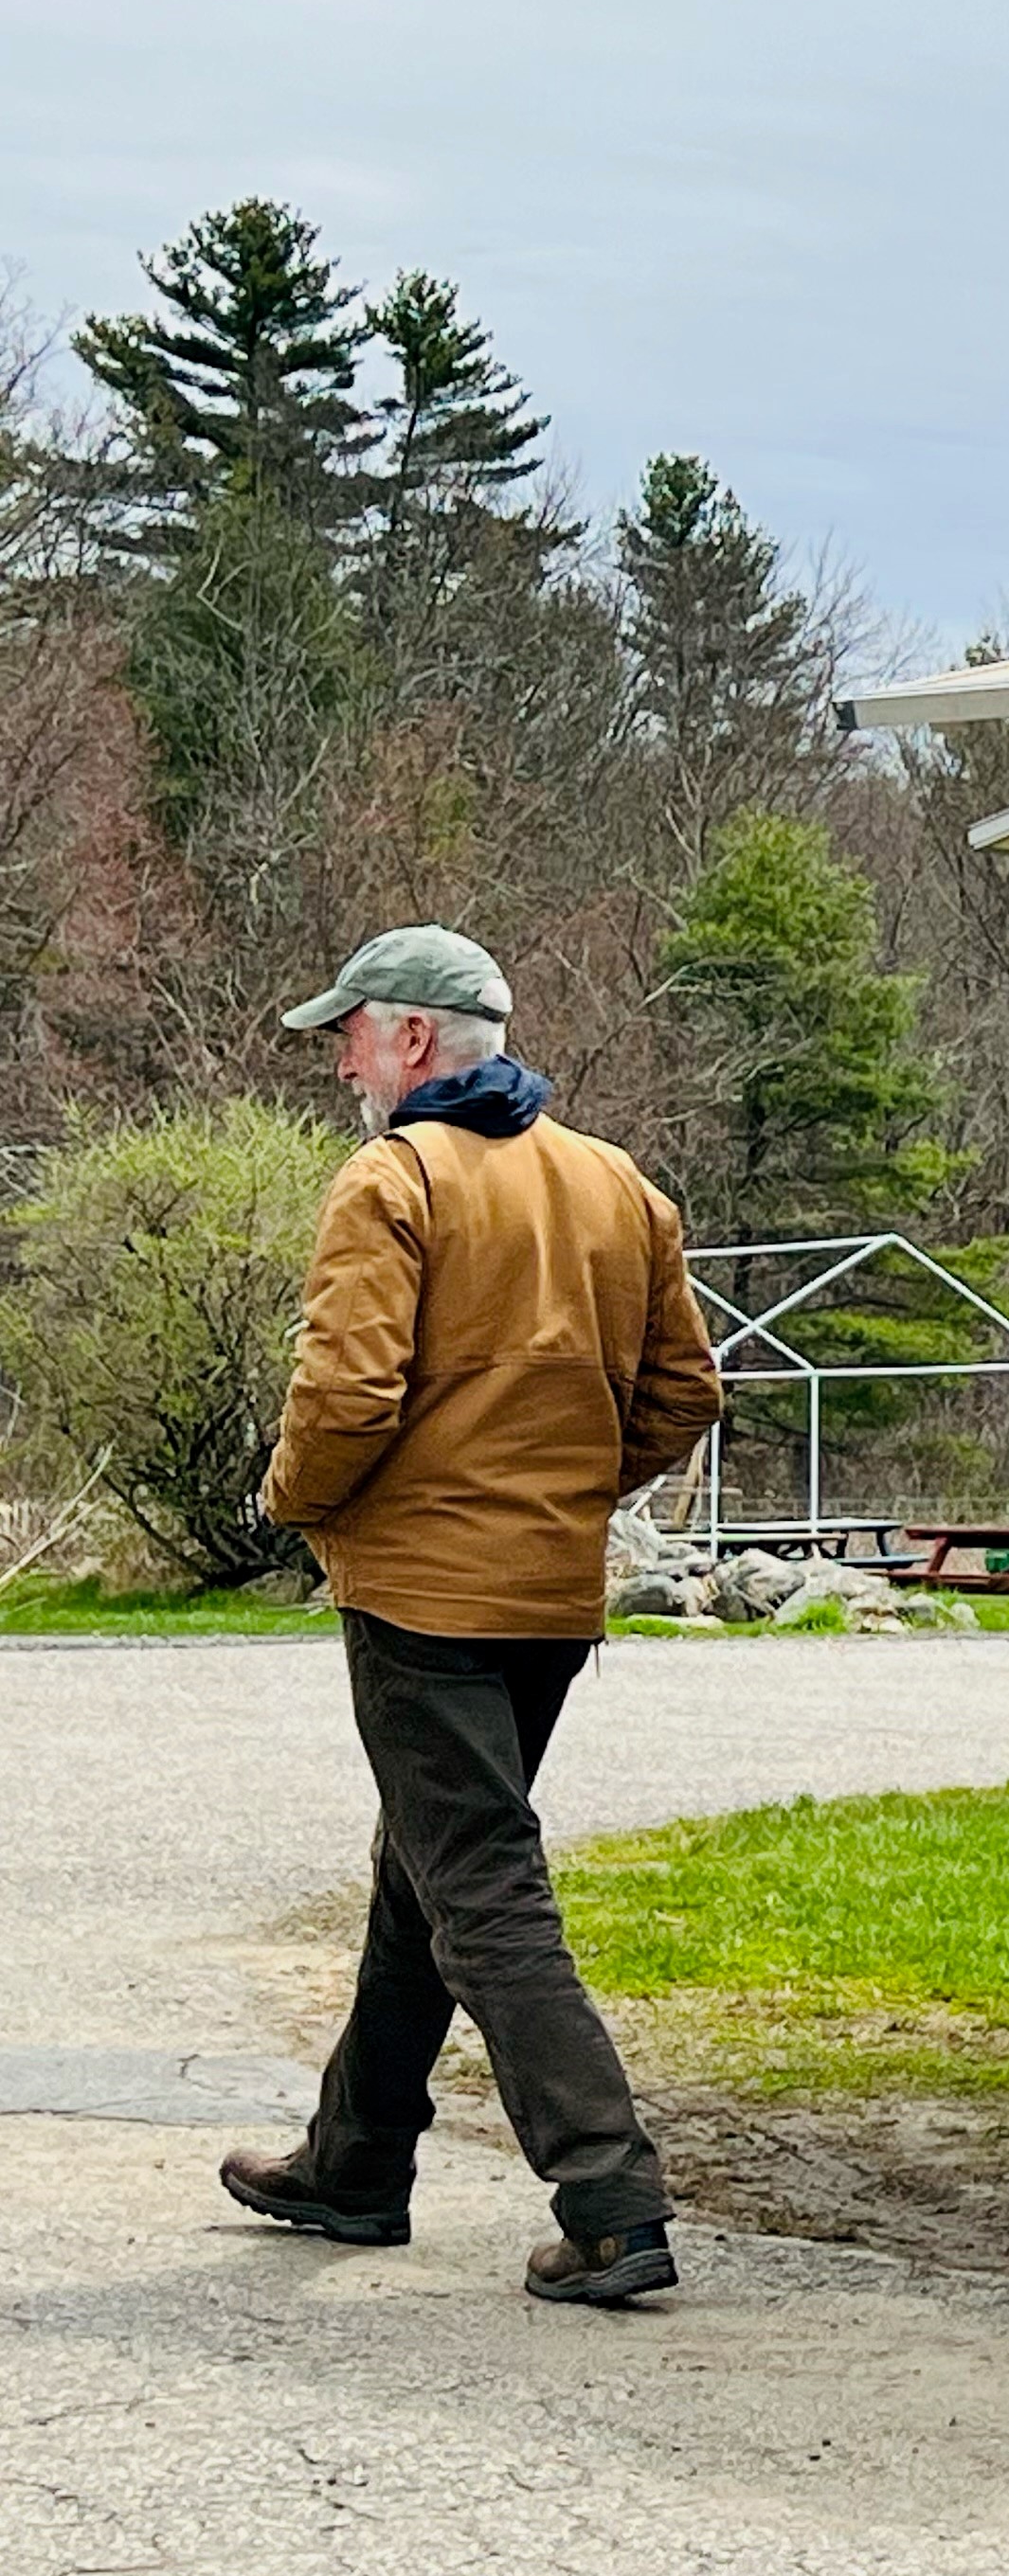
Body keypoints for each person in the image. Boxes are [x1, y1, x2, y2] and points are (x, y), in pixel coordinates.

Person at [224, 926, 725, 2305]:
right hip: (550, 1598)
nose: (341, 1064)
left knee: (484, 1887)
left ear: (414, 1039)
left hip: (421, 1594)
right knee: (428, 1869)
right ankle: (354, 2162)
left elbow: (345, 1398)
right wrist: (567, 1492)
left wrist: (292, 1501)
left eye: (351, 1035)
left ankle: (611, 2198)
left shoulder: (395, 1179)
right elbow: (687, 1394)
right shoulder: (618, 1184)